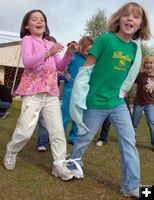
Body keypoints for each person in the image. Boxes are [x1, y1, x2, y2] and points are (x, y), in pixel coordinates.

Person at [67, 2, 151, 198]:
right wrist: (80, 95)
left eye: (136, 17)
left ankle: (131, 185)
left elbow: (129, 77)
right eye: (126, 15)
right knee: (85, 137)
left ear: (141, 25)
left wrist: (121, 93)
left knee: (129, 140)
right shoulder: (105, 39)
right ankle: (73, 164)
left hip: (117, 103)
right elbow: (86, 69)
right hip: (95, 102)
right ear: (119, 19)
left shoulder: (135, 50)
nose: (130, 19)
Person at [3, 9, 78, 181]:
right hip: (33, 93)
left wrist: (68, 54)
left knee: (57, 130)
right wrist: (48, 53)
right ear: (27, 26)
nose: (39, 21)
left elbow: (59, 67)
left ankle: (59, 164)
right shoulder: (28, 40)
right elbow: (28, 62)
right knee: (24, 132)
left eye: (42, 19)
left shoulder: (50, 44)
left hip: (51, 93)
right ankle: (12, 150)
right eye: (34, 19)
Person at [62, 37, 93, 145]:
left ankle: (73, 137)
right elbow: (62, 68)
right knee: (65, 115)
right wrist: (66, 75)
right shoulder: (73, 56)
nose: (89, 52)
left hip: (83, 92)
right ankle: (58, 137)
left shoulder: (91, 60)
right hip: (70, 89)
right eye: (88, 50)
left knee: (79, 116)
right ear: (82, 46)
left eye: (91, 50)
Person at [132, 55, 154, 150]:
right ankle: (131, 140)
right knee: (134, 123)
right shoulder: (140, 76)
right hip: (139, 103)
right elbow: (129, 81)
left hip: (150, 104)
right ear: (144, 65)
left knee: (152, 123)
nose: (148, 65)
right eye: (146, 63)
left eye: (151, 63)